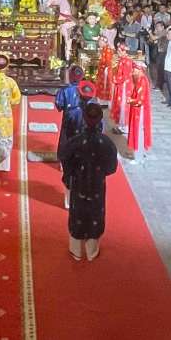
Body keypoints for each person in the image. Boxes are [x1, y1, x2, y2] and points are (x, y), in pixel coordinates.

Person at [61, 102, 119, 262]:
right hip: (97, 185)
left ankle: (76, 251)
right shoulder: (107, 144)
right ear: (100, 118)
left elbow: (66, 161)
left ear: (84, 118)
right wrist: (99, 173)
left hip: (78, 183)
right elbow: (112, 168)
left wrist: (71, 175)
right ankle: (92, 251)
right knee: (95, 213)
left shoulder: (75, 142)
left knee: (77, 213)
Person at [126, 63, 152, 163]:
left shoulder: (142, 82)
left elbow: (140, 100)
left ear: (140, 70)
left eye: (134, 70)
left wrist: (130, 100)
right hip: (138, 110)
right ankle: (137, 152)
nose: (133, 72)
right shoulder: (140, 80)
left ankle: (138, 157)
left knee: (138, 132)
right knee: (138, 132)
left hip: (139, 111)